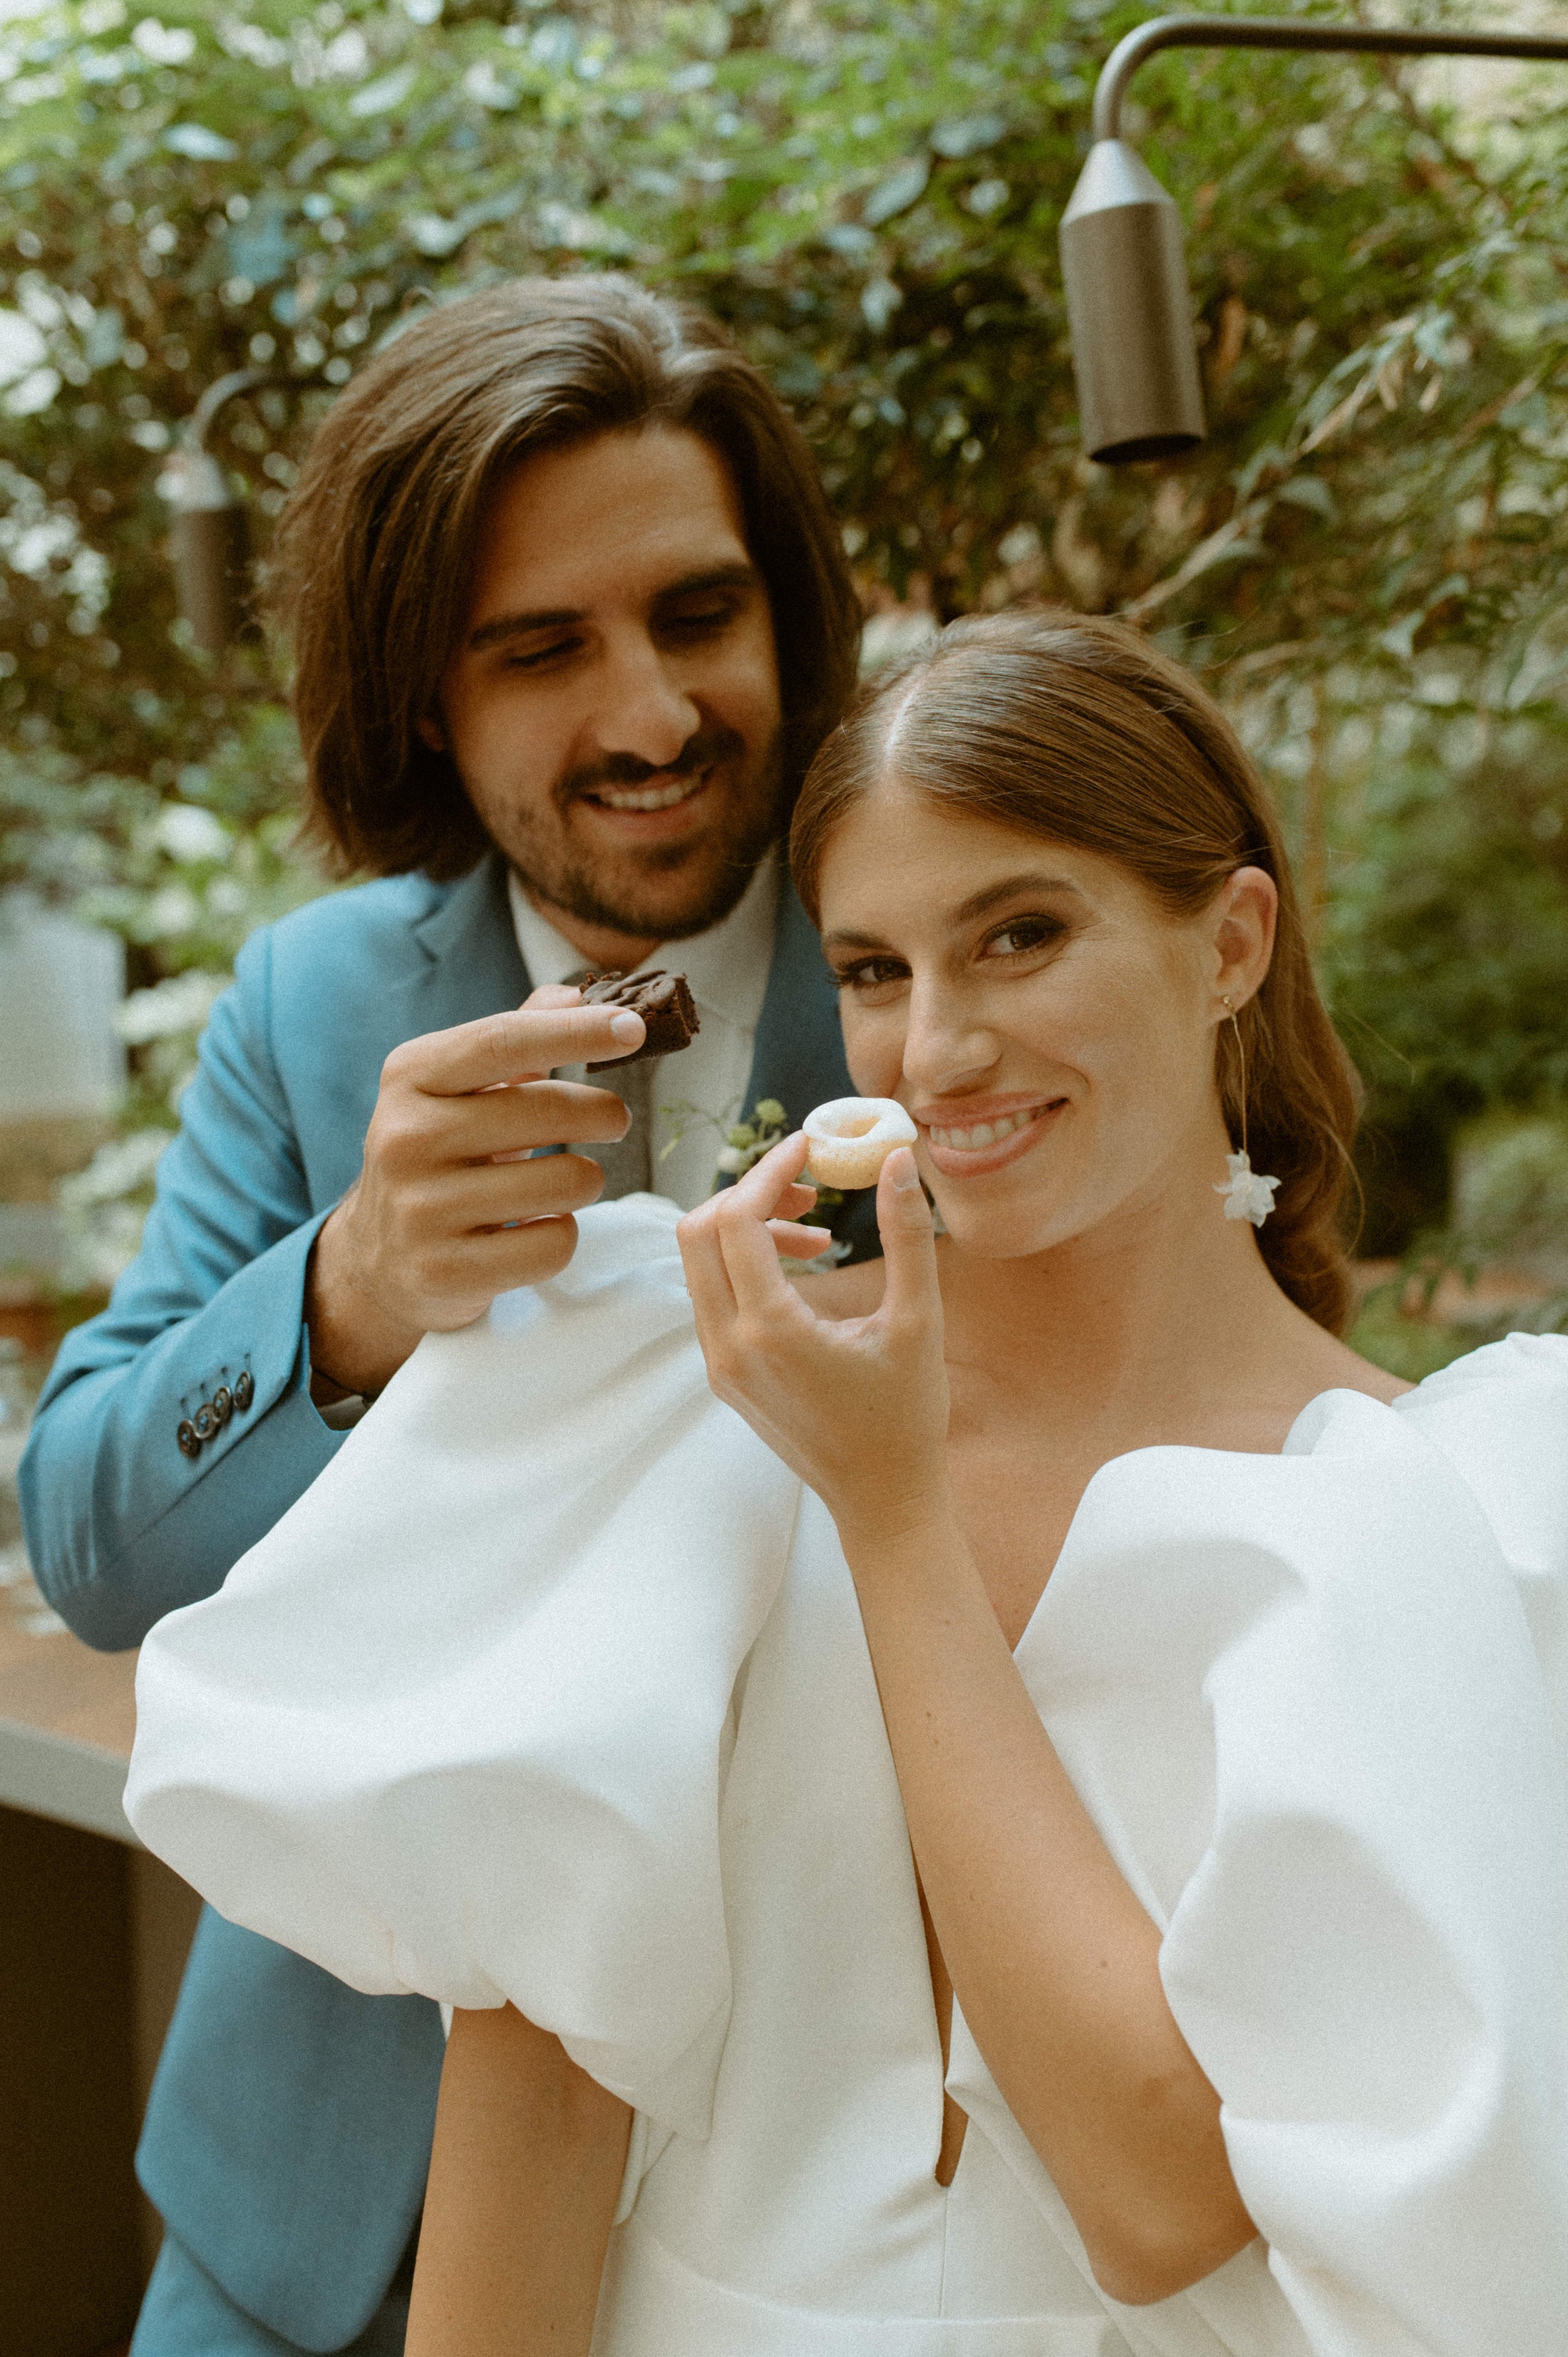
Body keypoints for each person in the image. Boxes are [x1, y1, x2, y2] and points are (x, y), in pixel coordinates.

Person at [125, 610, 1568, 2356]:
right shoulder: (675, 1418)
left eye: (1018, 934)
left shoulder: (1440, 1509)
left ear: (1230, 941)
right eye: (875, 970)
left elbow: (1156, 2199)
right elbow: (537, 2141)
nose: (937, 1045)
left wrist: (891, 1518)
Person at [18, 274, 873, 2357]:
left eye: (696, 614)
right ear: (422, 696)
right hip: (324, 2199)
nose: (653, 715)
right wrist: (349, 1293)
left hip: (823, 2181)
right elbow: (89, 1543)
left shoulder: (943, 967)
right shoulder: (313, 1005)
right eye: (541, 648)